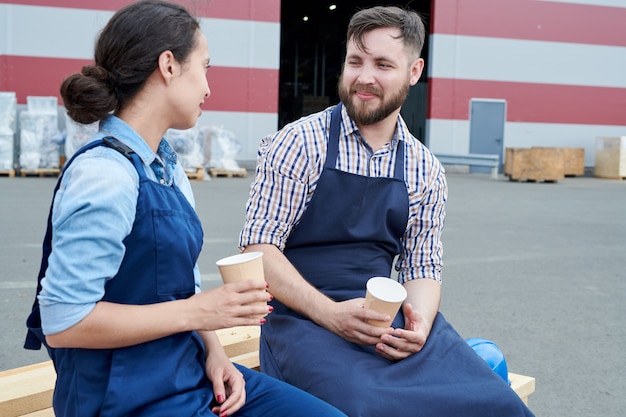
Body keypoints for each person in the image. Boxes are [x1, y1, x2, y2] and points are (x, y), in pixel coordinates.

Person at [23, 2, 347, 417]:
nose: (209, 88)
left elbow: (182, 287)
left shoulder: (166, 167)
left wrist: (214, 351)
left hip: (187, 370)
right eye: (205, 67)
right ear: (169, 66)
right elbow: (64, 322)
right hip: (123, 397)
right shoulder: (105, 175)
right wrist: (203, 311)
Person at [239, 6, 535, 417]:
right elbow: (258, 248)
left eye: (382, 64)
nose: (364, 77)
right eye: (355, 61)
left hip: (384, 321)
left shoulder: (424, 168)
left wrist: (420, 325)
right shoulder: (300, 142)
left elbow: (421, 267)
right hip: (303, 321)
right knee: (369, 406)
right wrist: (330, 314)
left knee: (496, 403)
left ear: (414, 71)